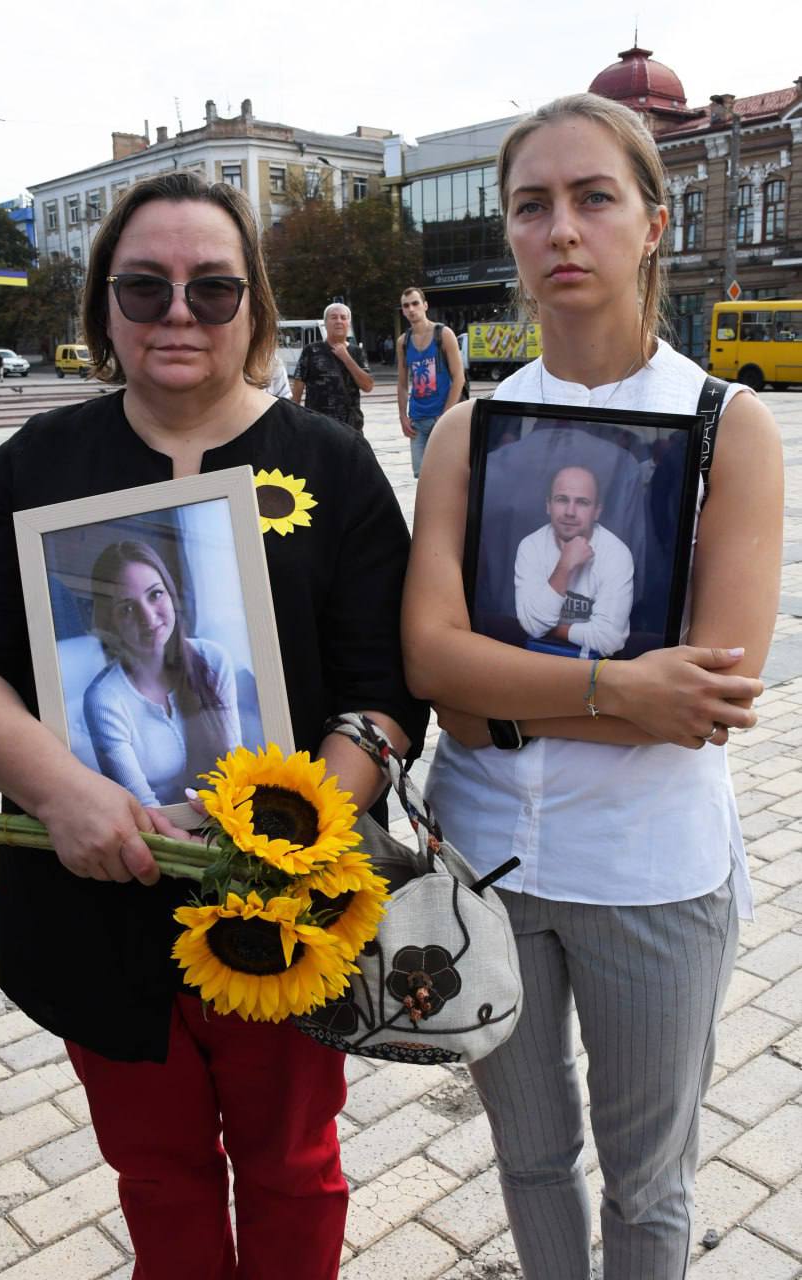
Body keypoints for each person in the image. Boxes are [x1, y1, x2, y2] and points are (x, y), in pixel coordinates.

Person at [0, 172, 425, 1280]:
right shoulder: (35, 466)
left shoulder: (330, 464)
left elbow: (383, 688)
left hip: (282, 910)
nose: (177, 314)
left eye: (212, 287)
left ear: (253, 304)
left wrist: (289, 826)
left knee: (293, 1165)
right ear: (102, 305)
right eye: (143, 287)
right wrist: (60, 791)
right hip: (90, 904)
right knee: (155, 1174)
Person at [401, 93, 783, 1280]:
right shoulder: (469, 431)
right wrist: (621, 688)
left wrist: (501, 693)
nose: (559, 229)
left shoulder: (729, 427)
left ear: (651, 222)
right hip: (486, 864)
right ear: (510, 234)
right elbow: (431, 664)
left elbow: (706, 700)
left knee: (648, 1183)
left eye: (591, 198)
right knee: (525, 1158)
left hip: (648, 874)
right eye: (531, 205)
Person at [84, 539, 241, 808]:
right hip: (158, 838)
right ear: (110, 620)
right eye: (128, 608)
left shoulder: (214, 659)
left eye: (155, 594)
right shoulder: (104, 700)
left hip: (226, 820)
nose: (148, 617)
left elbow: (234, 766)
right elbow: (142, 806)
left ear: (171, 595)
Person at [515, 464, 634, 658]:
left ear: (597, 511)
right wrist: (565, 565)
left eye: (582, 502)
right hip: (537, 661)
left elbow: (608, 640)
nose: (570, 511)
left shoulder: (616, 553)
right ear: (548, 505)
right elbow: (532, 627)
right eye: (562, 500)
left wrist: (551, 629)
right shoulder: (531, 546)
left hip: (594, 668)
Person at [397, 286, 465, 477]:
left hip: (441, 417)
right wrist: (402, 416)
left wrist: (445, 416)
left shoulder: (443, 334)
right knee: (422, 476)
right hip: (417, 420)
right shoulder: (403, 341)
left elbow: (459, 377)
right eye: (406, 306)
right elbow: (402, 383)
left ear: (425, 305)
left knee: (447, 475)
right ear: (402, 310)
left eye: (415, 303)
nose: (411, 309)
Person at [291, 302, 374, 430]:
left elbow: (368, 386)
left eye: (343, 317)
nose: (339, 321)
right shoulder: (311, 351)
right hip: (317, 427)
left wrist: (346, 358)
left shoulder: (357, 352)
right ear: (325, 323)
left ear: (348, 323)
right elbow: (297, 389)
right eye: (334, 317)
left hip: (350, 428)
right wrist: (293, 421)